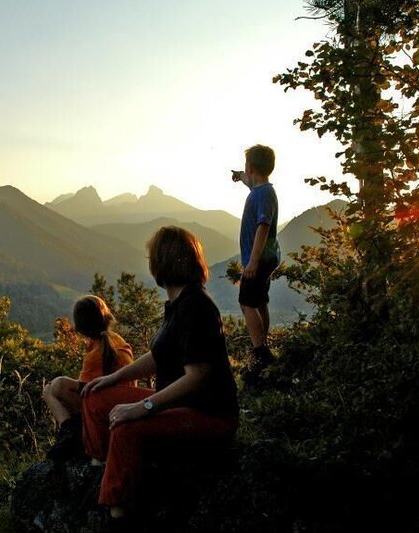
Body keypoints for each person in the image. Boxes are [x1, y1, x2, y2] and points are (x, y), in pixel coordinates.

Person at [80, 226, 238, 522]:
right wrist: (113, 378)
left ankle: (119, 510)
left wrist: (143, 408)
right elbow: (159, 355)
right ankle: (101, 469)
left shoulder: (196, 307)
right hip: (177, 406)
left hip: (208, 415)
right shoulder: (178, 304)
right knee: (96, 394)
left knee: (126, 426)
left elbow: (198, 376)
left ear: (162, 261)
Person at [43, 295, 134, 461]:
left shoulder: (95, 355)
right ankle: (72, 429)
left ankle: (68, 431)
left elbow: (85, 391)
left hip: (105, 409)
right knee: (57, 386)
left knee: (52, 389)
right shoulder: (116, 341)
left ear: (81, 328)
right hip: (125, 404)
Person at [233, 144, 280, 380]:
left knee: (246, 303)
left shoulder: (263, 194)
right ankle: (264, 344)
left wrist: (252, 261)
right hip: (266, 257)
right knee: (260, 301)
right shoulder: (263, 190)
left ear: (250, 167)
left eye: (245, 168)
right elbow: (252, 183)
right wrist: (242, 178)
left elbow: (264, 226)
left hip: (259, 259)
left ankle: (260, 352)